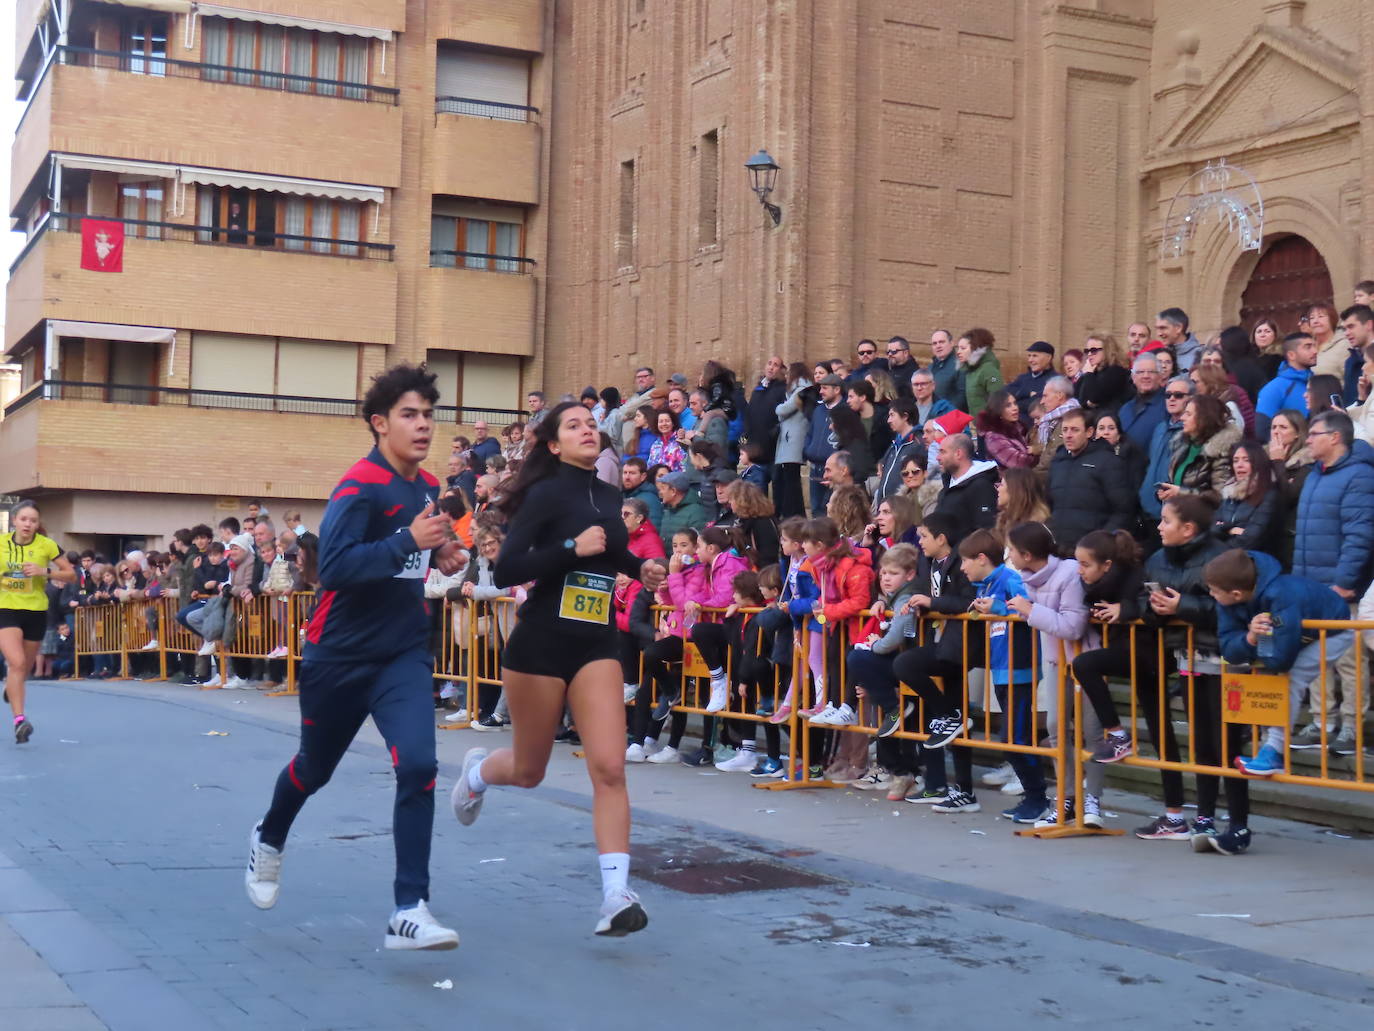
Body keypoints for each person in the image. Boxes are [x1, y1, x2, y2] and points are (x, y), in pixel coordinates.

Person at [245, 365, 470, 950]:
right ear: (379, 423)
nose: (423, 426)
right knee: (312, 771)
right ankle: (269, 836)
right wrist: (408, 543)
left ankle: (409, 909)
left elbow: (413, 548)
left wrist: (440, 553)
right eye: (409, 415)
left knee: (419, 766)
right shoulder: (357, 486)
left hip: (402, 653)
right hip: (338, 657)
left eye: (429, 415)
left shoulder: (423, 487)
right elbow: (337, 568)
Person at [450, 400, 666, 937]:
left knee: (610, 769)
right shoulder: (545, 494)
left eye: (593, 424)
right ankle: (477, 774)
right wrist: (572, 546)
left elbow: (610, 556)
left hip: (595, 645)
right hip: (541, 643)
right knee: (530, 771)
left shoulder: (611, 495)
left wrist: (644, 568)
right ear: (554, 444)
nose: (589, 431)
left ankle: (615, 896)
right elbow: (508, 566)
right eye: (575, 426)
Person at [1213, 550, 1352, 805]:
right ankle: (1269, 748)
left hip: (1334, 631)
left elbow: (1281, 660)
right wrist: (1250, 638)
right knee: (1273, 678)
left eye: (1214, 591)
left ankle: (1273, 751)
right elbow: (1229, 647)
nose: (1212, 595)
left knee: (1291, 678)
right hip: (1308, 633)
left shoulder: (1281, 594)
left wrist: (1257, 644)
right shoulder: (1229, 600)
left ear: (1236, 594)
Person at [1287, 409, 1374, 755]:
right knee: (1316, 659)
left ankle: (1351, 727)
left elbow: (1360, 535)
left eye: (1314, 434)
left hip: (1340, 589)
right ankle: (1321, 722)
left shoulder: (1359, 476)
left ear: (1335, 437)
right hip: (1311, 587)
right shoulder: (1315, 475)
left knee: (1349, 661)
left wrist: (1343, 582)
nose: (1307, 439)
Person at [1, 500, 76, 743]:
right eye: (23, 519)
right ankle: (20, 721)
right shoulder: (1, 544)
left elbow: (71, 574)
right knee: (17, 661)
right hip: (6, 609)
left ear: (37, 524)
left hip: (35, 610)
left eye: (33, 521)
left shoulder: (47, 545)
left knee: (22, 669)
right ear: (14, 520)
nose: (28, 524)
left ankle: (11, 687)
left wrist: (46, 572)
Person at [1046, 409, 1136, 553]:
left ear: (1089, 432)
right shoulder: (1058, 462)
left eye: (1075, 430)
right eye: (1065, 430)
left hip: (1092, 553)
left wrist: (1101, 543)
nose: (1068, 435)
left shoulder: (1108, 462)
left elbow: (1124, 509)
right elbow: (1050, 504)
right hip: (1060, 548)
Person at [1157, 395, 1243, 508]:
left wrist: (1181, 493)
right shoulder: (1182, 445)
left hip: (1203, 521)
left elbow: (1220, 495)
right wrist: (1165, 492)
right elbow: (1175, 482)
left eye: (1188, 414)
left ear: (1204, 418)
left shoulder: (1221, 452)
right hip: (1179, 515)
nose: (1182, 418)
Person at [1138, 376, 1194, 535]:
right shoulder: (1160, 428)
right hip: (1149, 512)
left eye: (1178, 395)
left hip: (1175, 515)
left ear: (1191, 399)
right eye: (1168, 395)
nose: (1172, 399)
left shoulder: (1193, 433)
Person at [1265, 409, 1314, 569]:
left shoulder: (1306, 462)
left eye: (1283, 427)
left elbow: (1288, 496)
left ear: (1298, 434)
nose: (1276, 432)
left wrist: (1278, 462)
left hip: (1287, 537)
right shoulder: (1262, 457)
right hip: (1262, 531)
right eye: (1273, 427)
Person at [1213, 441, 1279, 550]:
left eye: (1246, 460)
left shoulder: (1268, 494)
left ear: (1258, 463)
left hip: (1251, 558)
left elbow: (1252, 538)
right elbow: (1212, 528)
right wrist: (1231, 530)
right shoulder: (1229, 492)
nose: (1239, 465)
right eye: (1235, 460)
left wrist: (1223, 530)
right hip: (1224, 555)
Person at [931, 434, 999, 538]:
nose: (938, 457)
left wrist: (957, 553)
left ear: (958, 454)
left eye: (943, 452)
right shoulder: (948, 486)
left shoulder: (981, 487)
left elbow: (984, 531)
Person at [1254, 331, 1316, 440]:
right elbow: (1262, 432)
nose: (1315, 351)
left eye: (1315, 346)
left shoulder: (1317, 383)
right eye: (1308, 347)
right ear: (1291, 355)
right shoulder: (1274, 388)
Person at [773, 362, 814, 520]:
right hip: (790, 438)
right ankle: (794, 513)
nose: (786, 375)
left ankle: (795, 515)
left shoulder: (801, 389)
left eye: (789, 372)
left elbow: (784, 410)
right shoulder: (796, 390)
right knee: (790, 479)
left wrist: (779, 407)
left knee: (792, 481)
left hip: (794, 439)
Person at [804, 374, 845, 515]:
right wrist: (808, 450)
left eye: (825, 388)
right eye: (821, 388)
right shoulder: (818, 410)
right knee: (816, 510)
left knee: (831, 510)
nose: (821, 391)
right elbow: (810, 433)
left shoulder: (845, 411)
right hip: (815, 467)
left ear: (837, 390)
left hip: (834, 470)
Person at [744, 356, 786, 480]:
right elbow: (749, 413)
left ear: (780, 370)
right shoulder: (758, 389)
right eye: (769, 363)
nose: (771, 367)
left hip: (773, 449)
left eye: (776, 365)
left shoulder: (782, 389)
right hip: (755, 447)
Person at [874, 397, 923, 502]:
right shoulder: (894, 444)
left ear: (905, 416)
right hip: (886, 506)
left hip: (903, 508)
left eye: (892, 415)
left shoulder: (918, 444)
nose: (888, 420)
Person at [975, 389, 1036, 469]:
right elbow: (1018, 462)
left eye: (1015, 403)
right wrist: (1039, 454)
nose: (1015, 408)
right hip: (1011, 479)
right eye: (1008, 405)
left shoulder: (1020, 427)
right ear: (997, 410)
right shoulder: (994, 437)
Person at [1091, 410, 1147, 495]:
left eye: (1111, 428)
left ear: (1119, 435)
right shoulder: (1088, 456)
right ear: (1095, 434)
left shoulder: (1130, 455)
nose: (1106, 432)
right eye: (1101, 428)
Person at [1118, 352, 1166, 448]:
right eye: (1140, 372)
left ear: (1160, 377)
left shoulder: (1168, 406)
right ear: (1133, 378)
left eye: (1151, 372)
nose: (1146, 376)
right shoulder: (1125, 409)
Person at [1031, 375, 1079, 470]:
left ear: (1060, 395)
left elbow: (1052, 458)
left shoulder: (1070, 420)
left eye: (1045, 396)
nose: (1042, 402)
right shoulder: (1053, 421)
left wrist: (1030, 476)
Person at [1075, 334, 1133, 411]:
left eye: (1093, 350)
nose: (1089, 354)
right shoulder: (1092, 372)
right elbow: (1078, 396)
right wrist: (1088, 403)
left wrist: (1089, 373)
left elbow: (1095, 397)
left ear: (1107, 350)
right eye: (1087, 351)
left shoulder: (1116, 371)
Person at [956, 328, 1005, 417]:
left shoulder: (990, 372)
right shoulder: (971, 370)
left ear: (976, 349)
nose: (958, 352)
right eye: (958, 348)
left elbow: (997, 392)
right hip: (975, 425)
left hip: (988, 426)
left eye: (963, 348)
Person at [656, 470, 707, 551]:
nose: (660, 492)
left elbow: (699, 545)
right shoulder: (668, 510)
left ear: (673, 491)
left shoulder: (696, 512)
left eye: (663, 488)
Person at [1005, 340, 1056, 413]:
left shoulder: (1056, 380)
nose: (1030, 360)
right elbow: (1005, 391)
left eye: (1035, 356)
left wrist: (1017, 399)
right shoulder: (1022, 378)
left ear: (1048, 357)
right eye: (1029, 356)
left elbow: (1037, 405)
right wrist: (1028, 393)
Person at [1307, 301, 1348, 380]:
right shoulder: (1308, 346)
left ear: (1332, 319)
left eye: (1321, 316)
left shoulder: (1344, 345)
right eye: (1312, 318)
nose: (1315, 321)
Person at [928, 328, 964, 410]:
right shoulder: (930, 367)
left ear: (951, 343)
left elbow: (962, 395)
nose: (938, 346)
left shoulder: (960, 366)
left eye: (942, 342)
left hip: (949, 417)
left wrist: (945, 413)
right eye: (934, 343)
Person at [1155, 307, 1201, 371]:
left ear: (1178, 328)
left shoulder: (1201, 356)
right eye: (1157, 328)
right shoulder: (1157, 354)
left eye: (1163, 328)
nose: (1159, 334)